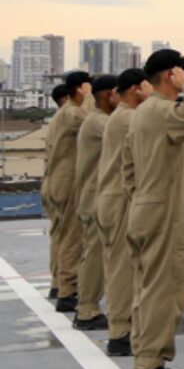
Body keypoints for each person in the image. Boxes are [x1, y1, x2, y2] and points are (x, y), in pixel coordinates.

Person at [125, 48, 184, 369]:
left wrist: (142, 198)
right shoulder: (161, 110)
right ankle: (149, 368)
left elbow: (128, 169)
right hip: (161, 212)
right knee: (164, 290)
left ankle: (149, 361)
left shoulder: (143, 112)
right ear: (168, 75)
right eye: (182, 71)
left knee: (148, 289)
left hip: (147, 206)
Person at [98, 68, 146, 357]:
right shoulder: (128, 118)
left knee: (119, 267)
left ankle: (122, 328)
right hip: (119, 199)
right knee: (121, 269)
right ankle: (119, 333)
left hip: (114, 198)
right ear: (135, 89)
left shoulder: (123, 116)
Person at [45, 71, 93, 313]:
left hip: (59, 180)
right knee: (73, 238)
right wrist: (90, 96)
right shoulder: (72, 113)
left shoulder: (63, 113)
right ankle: (67, 290)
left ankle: (60, 284)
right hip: (69, 181)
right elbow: (93, 121)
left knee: (63, 236)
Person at [71, 75, 116, 330]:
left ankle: (87, 307)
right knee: (95, 256)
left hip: (96, 196)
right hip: (95, 197)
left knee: (96, 254)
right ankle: (86, 310)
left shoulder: (99, 120)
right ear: (109, 95)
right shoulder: (99, 122)